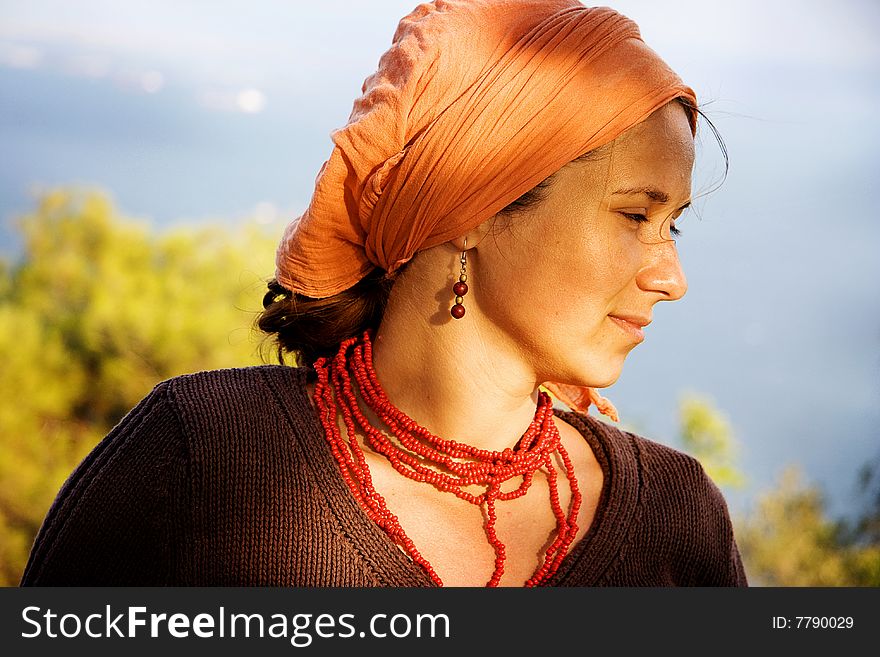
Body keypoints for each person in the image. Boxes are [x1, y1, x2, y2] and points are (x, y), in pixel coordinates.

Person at [21, 0, 747, 587]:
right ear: (476, 209)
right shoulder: (195, 461)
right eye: (633, 216)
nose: (670, 277)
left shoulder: (677, 518)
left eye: (672, 226)